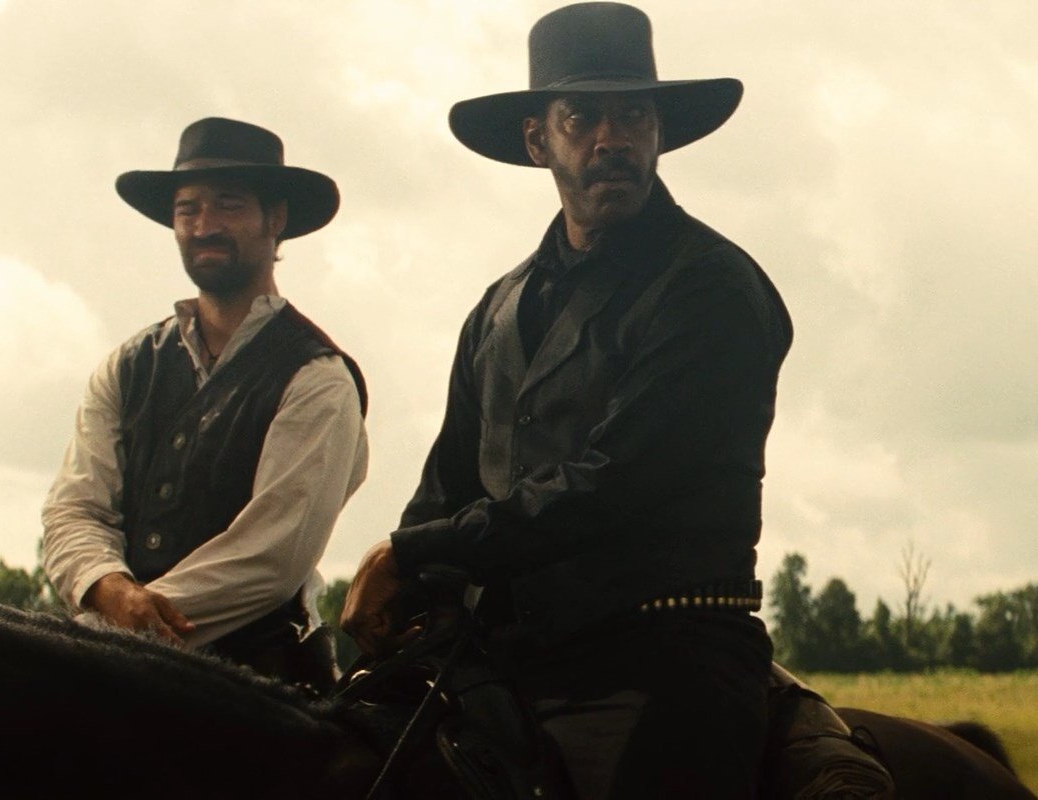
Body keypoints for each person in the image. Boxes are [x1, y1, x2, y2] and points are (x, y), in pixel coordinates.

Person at [339, 3, 792, 797]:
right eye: (582, 116)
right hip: (507, 661)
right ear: (537, 139)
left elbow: (617, 483)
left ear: (658, 133)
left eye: (633, 115)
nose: (611, 138)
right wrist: (406, 591)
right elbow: (449, 483)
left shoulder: (710, 288)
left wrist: (409, 552)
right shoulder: (497, 309)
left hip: (662, 663)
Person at [41, 117, 368, 693]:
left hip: (260, 690)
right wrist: (108, 588)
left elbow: (272, 555)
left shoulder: (317, 377)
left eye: (228, 205)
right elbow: (74, 511)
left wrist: (125, 628)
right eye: (187, 209)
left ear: (276, 219)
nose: (204, 225)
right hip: (111, 669)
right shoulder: (127, 366)